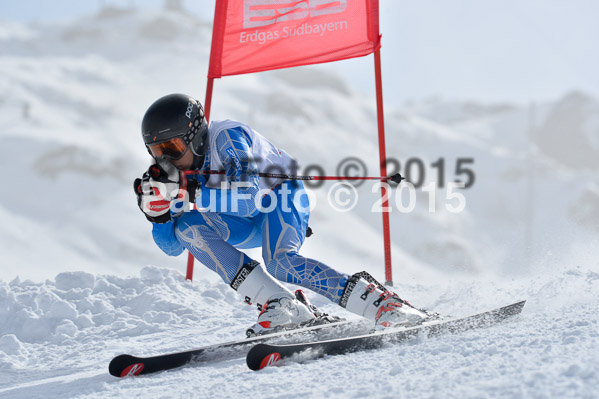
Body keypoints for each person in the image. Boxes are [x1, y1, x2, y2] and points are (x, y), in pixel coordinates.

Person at [134, 93, 431, 335]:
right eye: (156, 150)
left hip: (280, 198)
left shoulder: (226, 138)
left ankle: (385, 304)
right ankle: (282, 304)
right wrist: (158, 217)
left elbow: (250, 200)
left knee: (280, 262)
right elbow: (173, 247)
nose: (164, 158)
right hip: (243, 221)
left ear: (196, 135)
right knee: (186, 226)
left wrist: (192, 191)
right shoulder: (173, 174)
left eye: (171, 147)